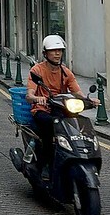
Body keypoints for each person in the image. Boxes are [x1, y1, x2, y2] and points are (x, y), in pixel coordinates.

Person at [26, 34, 100, 176]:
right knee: (50, 129)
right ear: (45, 53)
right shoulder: (37, 71)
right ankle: (45, 165)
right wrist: (37, 98)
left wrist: (90, 101)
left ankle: (76, 157)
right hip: (42, 110)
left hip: (61, 108)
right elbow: (29, 95)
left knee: (79, 125)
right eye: (53, 50)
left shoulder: (66, 73)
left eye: (60, 50)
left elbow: (77, 92)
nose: (57, 53)